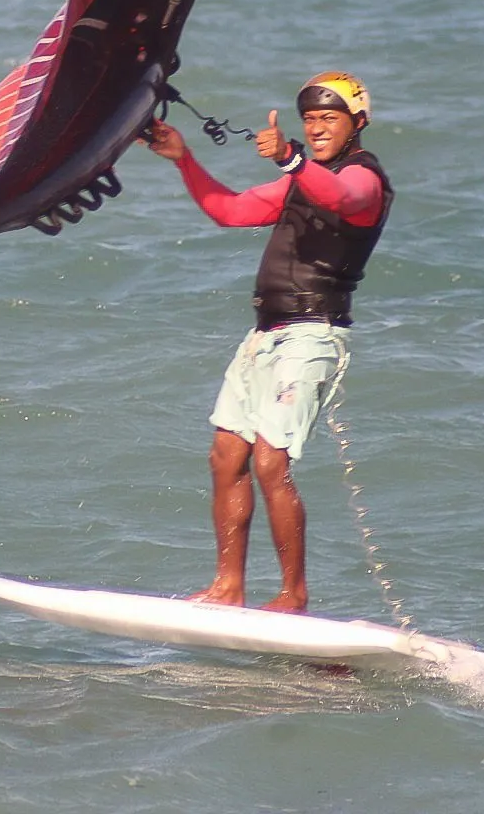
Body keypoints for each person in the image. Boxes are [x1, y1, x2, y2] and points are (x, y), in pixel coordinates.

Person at [140, 71, 392, 613]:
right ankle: (228, 587)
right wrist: (184, 159)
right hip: (264, 336)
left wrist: (291, 158)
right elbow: (229, 211)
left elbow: (343, 196)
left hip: (312, 335)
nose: (317, 128)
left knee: (271, 463)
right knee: (225, 456)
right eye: (310, 119)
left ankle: (292, 596)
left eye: (329, 119)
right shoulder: (304, 180)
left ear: (357, 123)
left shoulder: (365, 179)